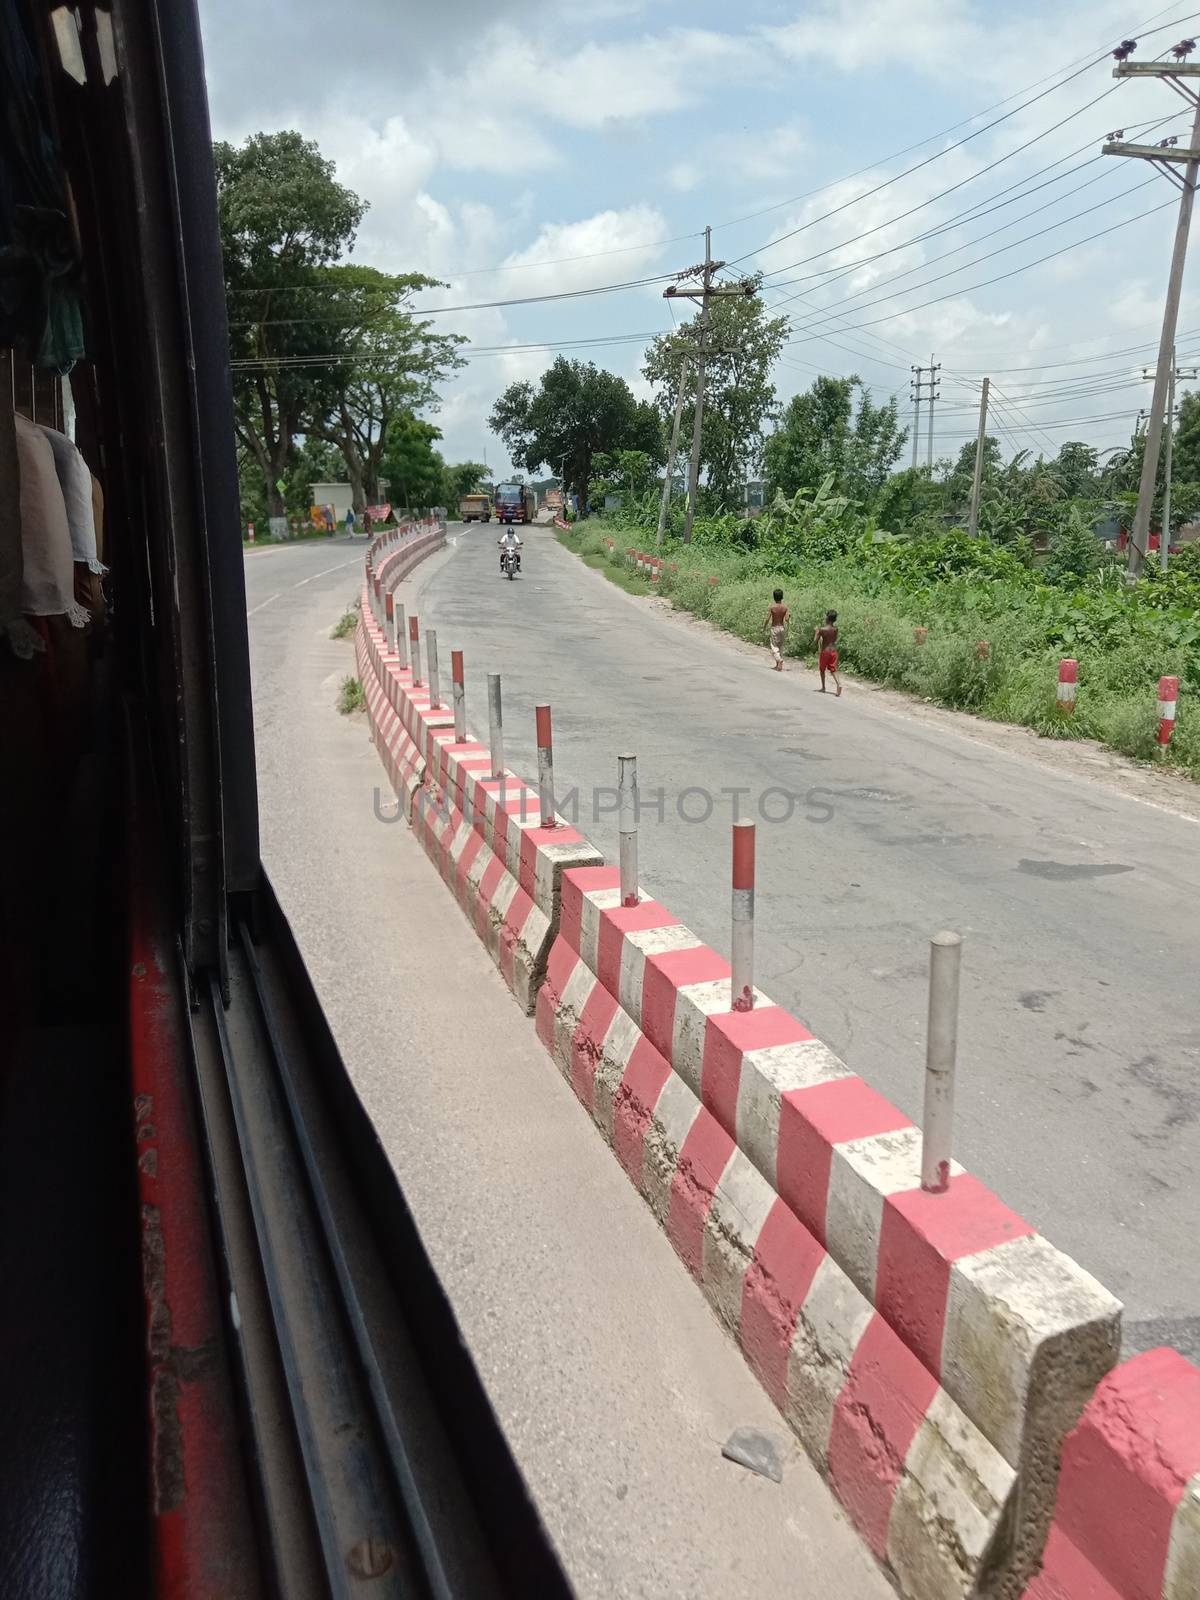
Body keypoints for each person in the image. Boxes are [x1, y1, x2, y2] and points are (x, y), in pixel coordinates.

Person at [813, 609, 842, 696]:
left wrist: (816, 632)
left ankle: (823, 687)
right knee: (833, 669)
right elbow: (835, 640)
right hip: (833, 651)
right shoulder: (836, 629)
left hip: (825, 651)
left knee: (822, 669)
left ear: (827, 618)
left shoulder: (822, 629)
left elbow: (815, 641)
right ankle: (839, 684)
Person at [763, 588, 789, 671]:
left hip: (774, 628)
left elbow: (767, 619)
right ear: (782, 597)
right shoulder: (785, 608)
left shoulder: (772, 607)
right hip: (782, 628)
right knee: (780, 646)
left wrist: (764, 627)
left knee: (774, 646)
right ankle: (778, 665)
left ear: (774, 597)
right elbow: (787, 619)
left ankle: (779, 660)